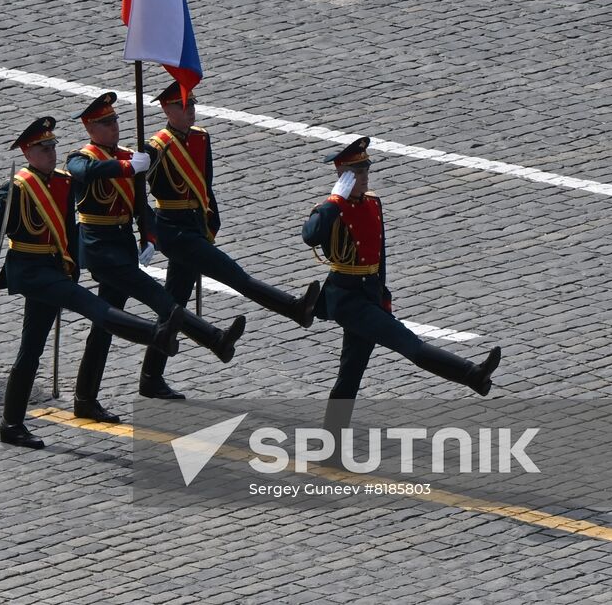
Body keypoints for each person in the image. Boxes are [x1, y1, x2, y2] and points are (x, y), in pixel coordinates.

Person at [0, 116, 182, 449]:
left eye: (53, 146)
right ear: (28, 152)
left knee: (31, 351)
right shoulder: (17, 187)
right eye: (44, 148)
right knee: (94, 306)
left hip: (54, 268)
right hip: (29, 270)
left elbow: (68, 228)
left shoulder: (61, 181)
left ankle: (11, 424)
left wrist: (70, 264)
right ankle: (155, 334)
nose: (52, 153)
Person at [302, 136, 501, 437]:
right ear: (342, 177)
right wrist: (335, 200)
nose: (365, 177)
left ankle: (330, 442)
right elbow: (311, 236)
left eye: (366, 171)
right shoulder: (331, 209)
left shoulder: (373, 203)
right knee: (409, 344)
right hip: (347, 300)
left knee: (350, 375)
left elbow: (379, 256)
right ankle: (471, 374)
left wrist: (383, 296)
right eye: (357, 174)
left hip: (369, 295)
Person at [66, 91, 244, 423]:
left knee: (104, 326)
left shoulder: (126, 157)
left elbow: (139, 207)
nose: (113, 127)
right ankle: (214, 339)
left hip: (122, 248)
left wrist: (149, 236)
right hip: (99, 251)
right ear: (90, 128)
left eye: (115, 120)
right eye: (105, 123)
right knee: (161, 300)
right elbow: (83, 170)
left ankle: (88, 396)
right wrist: (124, 166)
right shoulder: (84, 156)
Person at [143, 81, 320, 399]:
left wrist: (211, 222)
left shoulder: (200, 137)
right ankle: (294, 308)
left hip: (196, 227)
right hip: (174, 230)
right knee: (236, 276)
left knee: (173, 305)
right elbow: (135, 192)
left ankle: (150, 378)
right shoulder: (156, 147)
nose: (190, 111)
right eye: (183, 106)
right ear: (167, 110)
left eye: (192, 105)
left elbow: (206, 185)